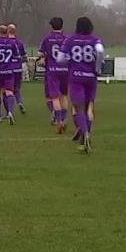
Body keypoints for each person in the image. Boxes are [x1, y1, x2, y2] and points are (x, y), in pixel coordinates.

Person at [58, 17, 104, 153]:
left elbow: (60, 59)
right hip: (91, 77)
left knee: (79, 108)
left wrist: (69, 60)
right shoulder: (95, 40)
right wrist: (98, 68)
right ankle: (86, 133)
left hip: (76, 77)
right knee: (89, 107)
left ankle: (85, 134)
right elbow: (100, 52)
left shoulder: (70, 40)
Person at [38, 17, 69, 132]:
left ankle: (59, 120)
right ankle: (65, 120)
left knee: (55, 97)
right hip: (65, 69)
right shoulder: (67, 39)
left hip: (52, 69)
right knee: (64, 95)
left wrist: (44, 56)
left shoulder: (46, 39)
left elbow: (40, 53)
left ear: (51, 26)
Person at [0, 24, 19, 125]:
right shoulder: (12, 43)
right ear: (6, 32)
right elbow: (17, 55)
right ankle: (10, 112)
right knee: (9, 92)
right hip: (9, 71)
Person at [7, 24, 27, 114]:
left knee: (7, 90)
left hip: (7, 69)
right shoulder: (20, 43)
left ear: (8, 31)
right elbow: (24, 56)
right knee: (17, 89)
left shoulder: (5, 42)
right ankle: (19, 102)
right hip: (18, 68)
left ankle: (9, 110)